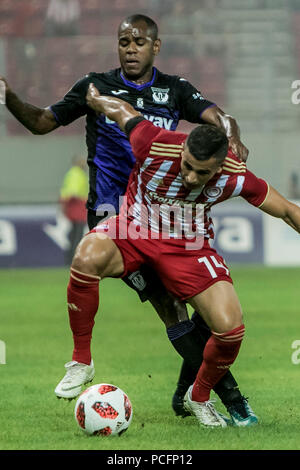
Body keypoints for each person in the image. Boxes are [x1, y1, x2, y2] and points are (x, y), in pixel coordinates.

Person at [0, 14, 253, 425]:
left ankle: (185, 393)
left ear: (156, 46)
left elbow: (219, 118)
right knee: (170, 306)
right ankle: (230, 400)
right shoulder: (94, 87)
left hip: (167, 220)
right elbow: (42, 122)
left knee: (207, 314)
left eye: (138, 42)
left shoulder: (175, 90)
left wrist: (233, 137)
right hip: (114, 217)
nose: (130, 48)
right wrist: (9, 96)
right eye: (123, 41)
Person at [70, 84, 300, 427]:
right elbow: (120, 111)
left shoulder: (234, 177)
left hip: (189, 246)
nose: (191, 177)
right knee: (86, 255)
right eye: (187, 166)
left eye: (201, 173)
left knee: (230, 329)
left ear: (219, 166)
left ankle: (198, 396)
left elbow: (285, 210)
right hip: (135, 229)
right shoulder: (153, 142)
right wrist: (93, 98)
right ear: (184, 151)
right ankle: (81, 360)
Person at [60, 156, 88, 265]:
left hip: (74, 206)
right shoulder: (77, 174)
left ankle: (70, 258)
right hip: (77, 206)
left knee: (74, 233)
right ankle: (74, 258)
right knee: (77, 234)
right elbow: (73, 191)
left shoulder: (72, 173)